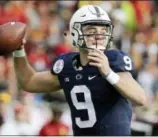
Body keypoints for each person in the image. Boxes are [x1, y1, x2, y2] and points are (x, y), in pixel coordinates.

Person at [13, 5, 147, 136]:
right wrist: (18, 51)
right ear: (76, 32)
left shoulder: (113, 60)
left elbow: (140, 99)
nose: (98, 36)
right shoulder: (67, 66)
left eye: (103, 31)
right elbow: (29, 81)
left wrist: (108, 73)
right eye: (91, 31)